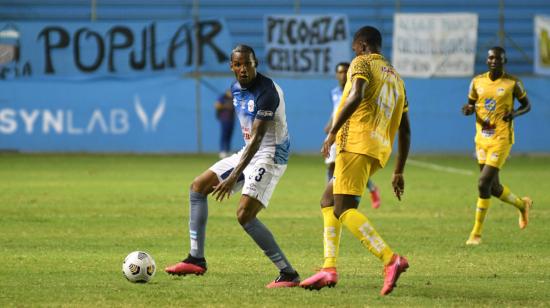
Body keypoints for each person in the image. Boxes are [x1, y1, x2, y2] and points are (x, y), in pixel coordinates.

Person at [165, 44, 300, 288]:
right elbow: (250, 141)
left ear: (255, 63)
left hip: (270, 154)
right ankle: (196, 259)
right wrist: (236, 170)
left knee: (244, 215)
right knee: (198, 187)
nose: (243, 69)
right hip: (248, 152)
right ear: (232, 66)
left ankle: (288, 273)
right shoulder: (235, 89)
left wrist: (233, 177)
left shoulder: (267, 92)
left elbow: (259, 139)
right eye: (238, 64)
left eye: (247, 63)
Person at [299, 26, 411, 296]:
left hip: (356, 142)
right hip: (378, 148)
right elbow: (405, 128)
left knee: (343, 208)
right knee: (328, 201)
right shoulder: (396, 78)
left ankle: (390, 259)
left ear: (362, 46)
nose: (353, 53)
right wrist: (399, 170)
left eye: (354, 48)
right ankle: (329, 268)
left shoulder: (361, 63)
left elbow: (357, 94)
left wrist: (334, 131)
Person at [461, 46, 532, 246]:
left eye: (498, 59)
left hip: (501, 139)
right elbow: (471, 105)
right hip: (481, 139)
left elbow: (527, 105)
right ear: (487, 60)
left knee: (483, 183)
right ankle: (522, 204)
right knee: (493, 187)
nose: (494, 61)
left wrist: (514, 114)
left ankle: (476, 233)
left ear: (504, 61)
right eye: (491, 58)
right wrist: (467, 110)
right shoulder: (477, 82)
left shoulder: (513, 83)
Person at [325, 62, 381, 209]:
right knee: (331, 165)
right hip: (335, 131)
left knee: (351, 168)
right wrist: (330, 123)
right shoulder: (334, 92)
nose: (343, 75)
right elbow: (336, 109)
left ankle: (372, 189)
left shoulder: (356, 90)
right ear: (337, 75)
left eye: (345, 72)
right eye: (340, 72)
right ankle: (331, 195)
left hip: (350, 133)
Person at [215, 89, 235, 158]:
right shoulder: (222, 98)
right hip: (224, 119)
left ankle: (228, 150)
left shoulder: (233, 99)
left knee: (229, 135)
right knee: (224, 135)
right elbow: (217, 105)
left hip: (231, 119)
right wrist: (226, 106)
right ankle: (222, 151)